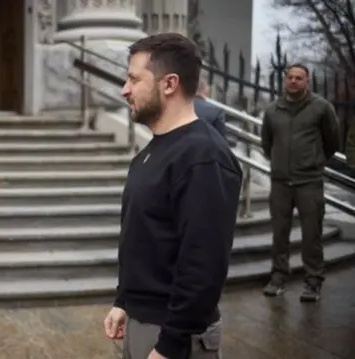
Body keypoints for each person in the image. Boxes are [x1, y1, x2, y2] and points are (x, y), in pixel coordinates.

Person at [103, 33, 243, 359]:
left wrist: (170, 344)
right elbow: (147, 238)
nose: (125, 89)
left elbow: (202, 263)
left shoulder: (203, 156)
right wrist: (124, 302)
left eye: (134, 79)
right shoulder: (152, 151)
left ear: (169, 84)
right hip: (143, 323)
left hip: (174, 336)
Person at [260, 63, 340, 302]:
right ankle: (278, 278)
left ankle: (313, 281)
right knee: (279, 234)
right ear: (285, 81)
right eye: (290, 77)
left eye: (299, 78)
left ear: (307, 81)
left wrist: (313, 162)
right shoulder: (273, 110)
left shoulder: (321, 108)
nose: (293, 81)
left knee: (311, 235)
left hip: (309, 182)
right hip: (281, 183)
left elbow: (332, 141)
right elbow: (267, 143)